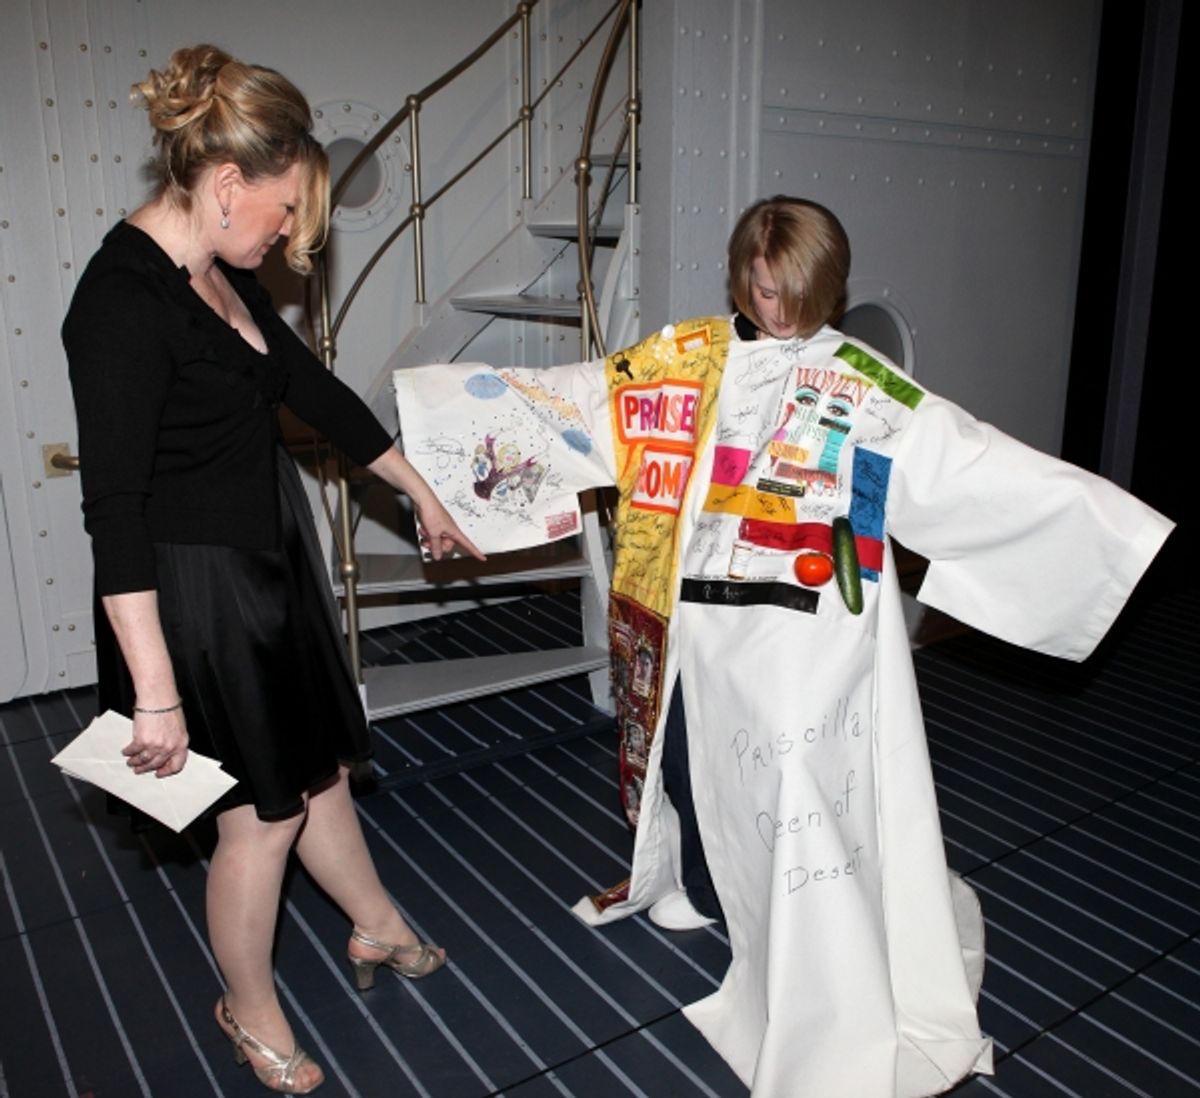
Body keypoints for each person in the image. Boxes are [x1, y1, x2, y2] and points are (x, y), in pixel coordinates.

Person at [389, 196, 1174, 1097]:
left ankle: (799, 929)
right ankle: (708, 884)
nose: (778, 312)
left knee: (793, 777)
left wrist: (1105, 525)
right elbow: (578, 401)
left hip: (809, 632)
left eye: (795, 295)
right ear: (741, 278)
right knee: (682, 751)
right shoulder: (687, 357)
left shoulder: (866, 384)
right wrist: (435, 442)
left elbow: (970, 463)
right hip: (691, 615)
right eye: (762, 290)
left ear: (829, 290)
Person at [63, 45, 482, 1096]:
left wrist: (418, 490)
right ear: (223, 184)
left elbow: (317, 393)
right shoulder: (119, 303)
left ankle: (376, 925)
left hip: (269, 564)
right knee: (266, 813)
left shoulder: (218, 273)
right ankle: (248, 1012)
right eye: (285, 210)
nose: (291, 235)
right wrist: (153, 693)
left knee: (319, 773)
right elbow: (113, 512)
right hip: (193, 595)